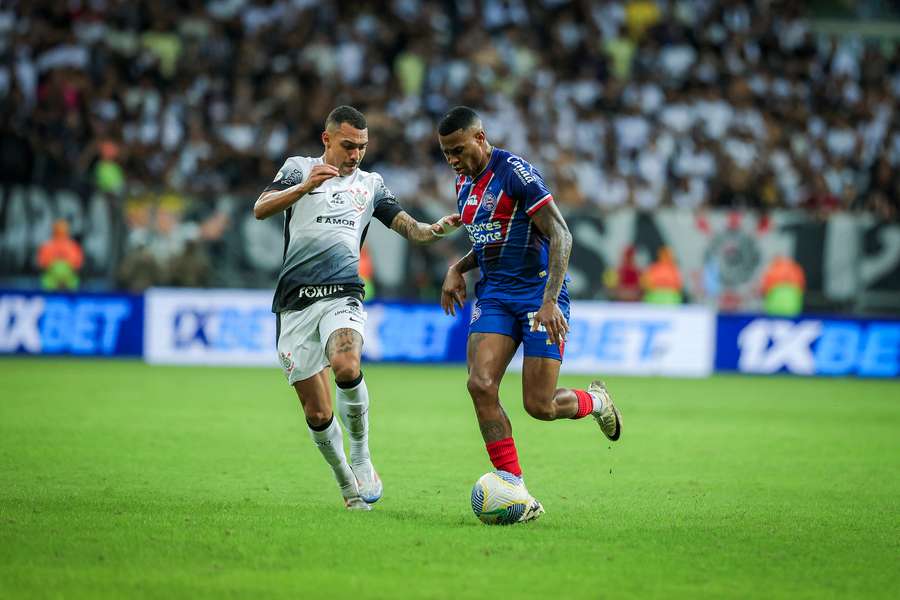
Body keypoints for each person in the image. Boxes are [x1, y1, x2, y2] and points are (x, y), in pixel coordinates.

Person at [254, 106, 461, 511]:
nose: (356, 155)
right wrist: (302, 188)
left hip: (343, 295)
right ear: (326, 139)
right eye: (348, 145)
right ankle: (346, 482)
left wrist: (435, 229)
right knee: (317, 412)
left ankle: (363, 456)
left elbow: (411, 228)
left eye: (363, 147)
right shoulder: (299, 168)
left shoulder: (371, 184)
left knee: (347, 365)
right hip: (295, 305)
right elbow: (261, 207)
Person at [437, 106, 622, 524]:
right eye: (446, 153)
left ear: (480, 139)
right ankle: (515, 487)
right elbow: (490, 239)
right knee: (480, 384)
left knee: (538, 405)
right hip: (497, 296)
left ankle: (596, 401)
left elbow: (561, 232)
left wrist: (551, 299)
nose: (452, 160)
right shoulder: (464, 183)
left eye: (458, 150)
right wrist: (457, 268)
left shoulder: (516, 173)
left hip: (539, 295)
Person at [37, 219, 84, 290]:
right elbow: (41, 265)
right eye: (59, 229)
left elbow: (78, 265)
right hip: (50, 282)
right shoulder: (47, 246)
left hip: (69, 282)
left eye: (63, 229)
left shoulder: (73, 246)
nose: (61, 231)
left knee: (74, 281)